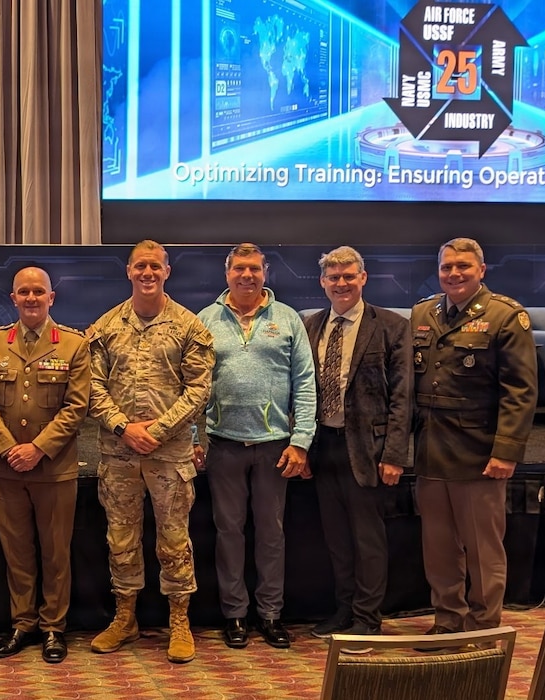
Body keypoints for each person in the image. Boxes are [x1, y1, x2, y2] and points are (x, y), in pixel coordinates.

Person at [87, 240, 214, 664]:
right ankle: (126, 618)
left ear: (167, 271)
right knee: (120, 539)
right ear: (128, 271)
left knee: (174, 540)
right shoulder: (104, 327)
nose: (147, 273)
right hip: (119, 454)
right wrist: (125, 428)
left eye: (154, 266)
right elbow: (91, 387)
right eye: (140, 266)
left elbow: (198, 390)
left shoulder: (189, 327)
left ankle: (180, 620)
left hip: (169, 455)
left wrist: (156, 430)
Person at [410, 237, 537, 639]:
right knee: (439, 548)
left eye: (463, 266)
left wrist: (506, 451)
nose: (454, 274)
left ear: (482, 270)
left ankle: (483, 628)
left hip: (479, 454)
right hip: (430, 451)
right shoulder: (422, 313)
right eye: (447, 267)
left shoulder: (505, 316)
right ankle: (447, 622)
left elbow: (520, 391)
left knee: (483, 551)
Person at [194, 243, 316, 650]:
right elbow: (191, 388)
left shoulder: (287, 319)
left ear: (266, 273)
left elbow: (305, 383)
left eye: (254, 269)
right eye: (239, 269)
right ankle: (235, 615)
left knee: (271, 534)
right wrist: (196, 438)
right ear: (226, 273)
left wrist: (300, 443)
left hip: (274, 447)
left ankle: (270, 614)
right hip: (223, 446)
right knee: (228, 533)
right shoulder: (205, 319)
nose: (247, 276)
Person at [0, 266, 90, 664]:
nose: (31, 298)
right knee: (17, 551)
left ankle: (54, 627)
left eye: (38, 291)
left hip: (54, 468)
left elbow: (77, 407)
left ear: (51, 298)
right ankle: (22, 623)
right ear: (13, 298)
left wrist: (38, 449)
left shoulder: (73, 345)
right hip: (6, 468)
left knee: (56, 553)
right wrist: (9, 448)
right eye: (23, 292)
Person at [303, 246, 412, 650]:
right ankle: (343, 610)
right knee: (336, 539)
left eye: (349, 276)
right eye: (334, 277)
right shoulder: (312, 325)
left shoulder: (390, 325)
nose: (342, 283)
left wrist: (394, 454)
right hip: (323, 448)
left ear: (363, 278)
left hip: (369, 451)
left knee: (368, 540)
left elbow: (403, 396)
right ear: (323, 282)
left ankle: (368, 618)